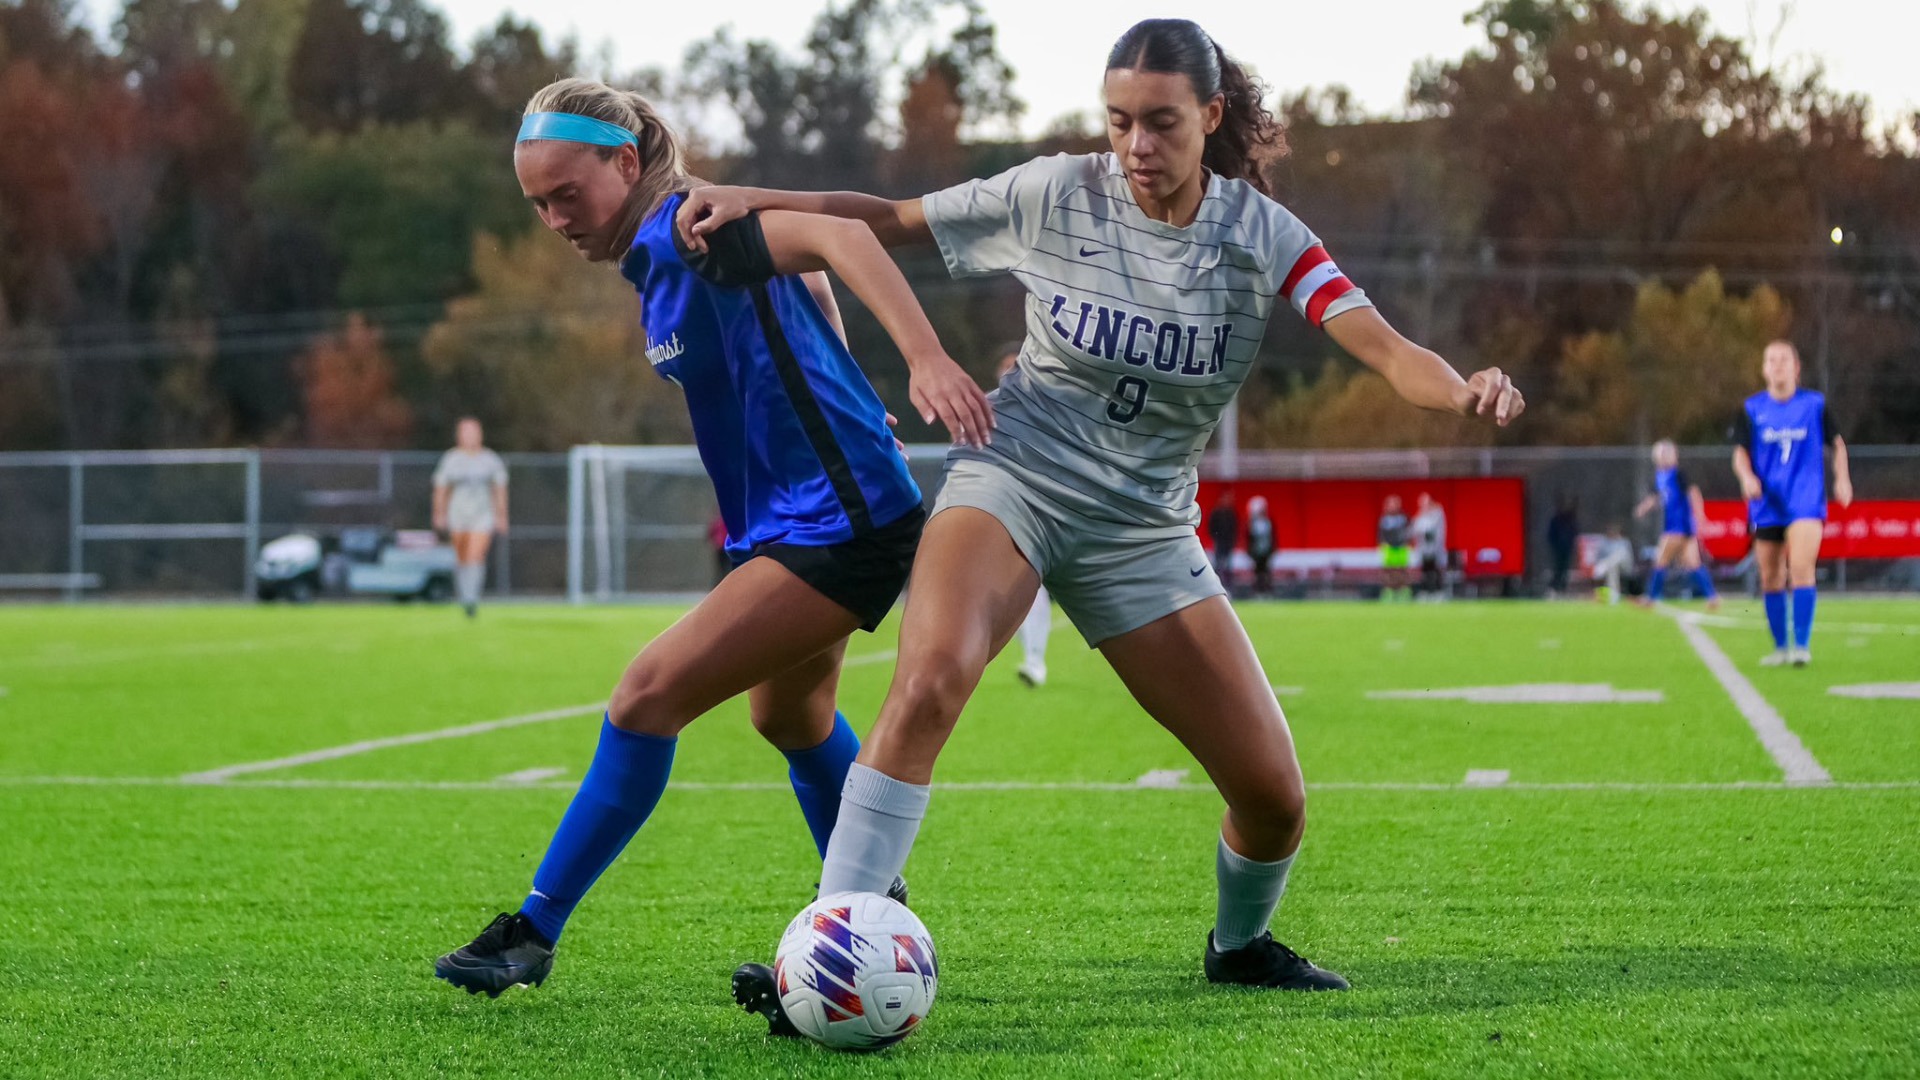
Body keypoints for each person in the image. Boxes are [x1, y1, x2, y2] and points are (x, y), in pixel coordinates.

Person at [682, 18, 1522, 1012]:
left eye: (1162, 123)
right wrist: (755, 197)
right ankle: (825, 955)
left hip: (1145, 530)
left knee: (1273, 798)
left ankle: (1241, 946)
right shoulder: (1056, 192)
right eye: (1119, 122)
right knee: (931, 681)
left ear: (1210, 117)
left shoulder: (1263, 236)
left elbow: (1385, 350)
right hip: (1015, 476)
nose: (1137, 147)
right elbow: (890, 216)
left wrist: (1462, 389)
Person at [433, 77, 994, 998]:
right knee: (791, 717)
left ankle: (530, 932)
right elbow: (808, 283)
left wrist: (923, 359)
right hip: (795, 522)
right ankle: (868, 912)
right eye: (536, 204)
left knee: (645, 696)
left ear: (624, 161)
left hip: (839, 525)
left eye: (565, 195)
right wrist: (849, 386)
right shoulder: (652, 258)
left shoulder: (696, 228)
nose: (552, 220)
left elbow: (838, 239)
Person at [1732, 340, 1853, 666]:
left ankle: (1801, 645)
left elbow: (1837, 444)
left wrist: (1842, 478)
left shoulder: (1814, 405)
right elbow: (1740, 452)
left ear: (1796, 367)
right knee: (1771, 576)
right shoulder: (1752, 408)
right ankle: (1781, 647)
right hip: (1767, 502)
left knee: (1800, 567)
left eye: (1784, 359)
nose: (1777, 365)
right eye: (1771, 359)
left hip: (1805, 500)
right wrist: (1747, 477)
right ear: (1764, 368)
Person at [994, 340, 1052, 688]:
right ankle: (1033, 658)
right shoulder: (993, 410)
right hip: (1006, 508)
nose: (1010, 372)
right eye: (1005, 367)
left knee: (1032, 584)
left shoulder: (1049, 407)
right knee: (1017, 587)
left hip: (1043, 508)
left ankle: (1035, 659)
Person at [432, 417, 509, 618]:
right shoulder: (451, 459)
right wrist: (439, 513)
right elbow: (442, 489)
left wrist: (501, 515)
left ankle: (471, 599)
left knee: (476, 554)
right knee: (461, 556)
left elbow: (499, 489)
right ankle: (465, 596)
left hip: (482, 515)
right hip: (457, 515)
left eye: (474, 432)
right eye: (466, 432)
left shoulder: (490, 460)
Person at [1631, 440, 1719, 610]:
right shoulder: (1659, 477)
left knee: (1660, 561)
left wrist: (1700, 516)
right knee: (1694, 563)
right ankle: (1712, 597)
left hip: (1678, 526)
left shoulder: (1678, 474)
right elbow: (1656, 497)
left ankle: (1650, 598)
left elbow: (1693, 492)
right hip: (1680, 528)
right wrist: (1644, 508)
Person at [1411, 492, 1447, 599]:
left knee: (1435, 570)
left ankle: (1438, 592)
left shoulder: (1437, 514)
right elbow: (1415, 530)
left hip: (1435, 548)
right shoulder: (1420, 516)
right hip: (1423, 549)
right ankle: (1425, 591)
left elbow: (1431, 531)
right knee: (1425, 571)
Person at [1590, 522, 1634, 604]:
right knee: (1612, 568)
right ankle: (1614, 595)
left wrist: (1608, 562)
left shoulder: (1624, 542)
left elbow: (1628, 559)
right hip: (1610, 568)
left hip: (1624, 567)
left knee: (1620, 554)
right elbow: (1598, 559)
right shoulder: (1604, 543)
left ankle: (1609, 564)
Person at [1377, 495, 1411, 602]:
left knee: (1401, 570)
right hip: (1389, 548)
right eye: (1391, 503)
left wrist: (1407, 543)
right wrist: (1382, 544)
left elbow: (1409, 532)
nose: (1393, 506)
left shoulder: (1404, 518)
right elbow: (1380, 534)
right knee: (1389, 571)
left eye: (1395, 503)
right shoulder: (1384, 519)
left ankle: (1403, 593)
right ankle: (1389, 592)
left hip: (1401, 547)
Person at [1546, 496, 1579, 596]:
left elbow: (1574, 533)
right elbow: (1551, 535)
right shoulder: (1556, 520)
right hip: (1558, 548)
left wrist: (1571, 544)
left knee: (1565, 569)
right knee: (1558, 568)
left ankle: (1563, 588)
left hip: (1567, 548)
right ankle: (1555, 587)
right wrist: (1555, 545)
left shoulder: (1570, 520)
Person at [1245, 495, 1276, 597]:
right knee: (1257, 572)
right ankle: (1258, 591)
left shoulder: (1268, 522)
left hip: (1266, 551)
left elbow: (1273, 537)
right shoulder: (1252, 524)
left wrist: (1273, 549)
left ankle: (1267, 591)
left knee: (1266, 571)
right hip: (1256, 552)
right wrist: (1250, 551)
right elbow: (1249, 538)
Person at [1208, 491, 1240, 585]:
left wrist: (1233, 539)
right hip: (1219, 542)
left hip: (1228, 542)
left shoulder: (1231, 513)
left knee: (1228, 565)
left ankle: (1228, 584)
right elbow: (1211, 526)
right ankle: (1216, 584)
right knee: (1218, 564)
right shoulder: (1217, 513)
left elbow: (1235, 527)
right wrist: (1215, 537)